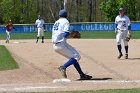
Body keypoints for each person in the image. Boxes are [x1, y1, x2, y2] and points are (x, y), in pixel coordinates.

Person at [52, 9, 92, 80]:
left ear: (59, 15)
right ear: (66, 16)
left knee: (73, 58)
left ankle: (81, 74)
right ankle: (63, 67)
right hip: (61, 44)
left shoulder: (56, 22)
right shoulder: (65, 21)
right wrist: (72, 36)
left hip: (57, 45)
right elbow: (65, 34)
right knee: (77, 57)